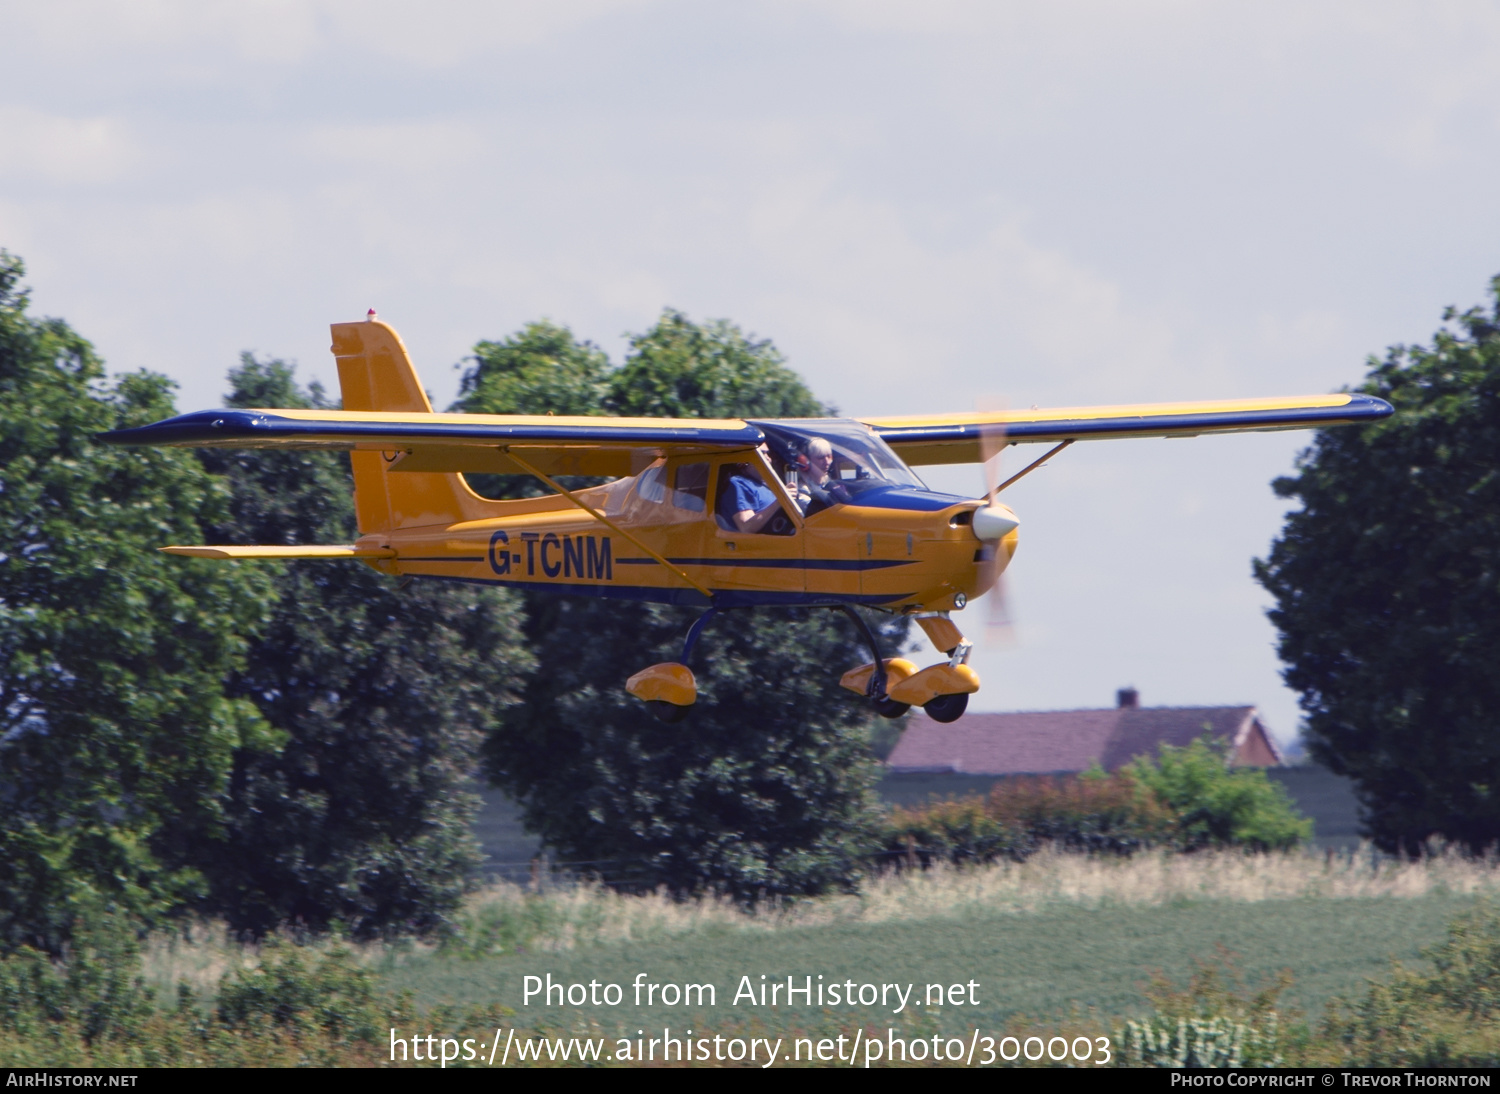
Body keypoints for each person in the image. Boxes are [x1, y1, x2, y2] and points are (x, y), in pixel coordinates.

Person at [725, 446, 785, 533]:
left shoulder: (770, 484)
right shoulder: (738, 484)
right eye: (761, 453)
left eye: (767, 453)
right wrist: (780, 501)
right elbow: (746, 527)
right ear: (744, 462)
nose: (768, 459)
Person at [795, 437, 851, 513]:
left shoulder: (832, 481)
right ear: (806, 461)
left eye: (829, 456)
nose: (827, 462)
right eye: (820, 458)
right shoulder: (802, 490)